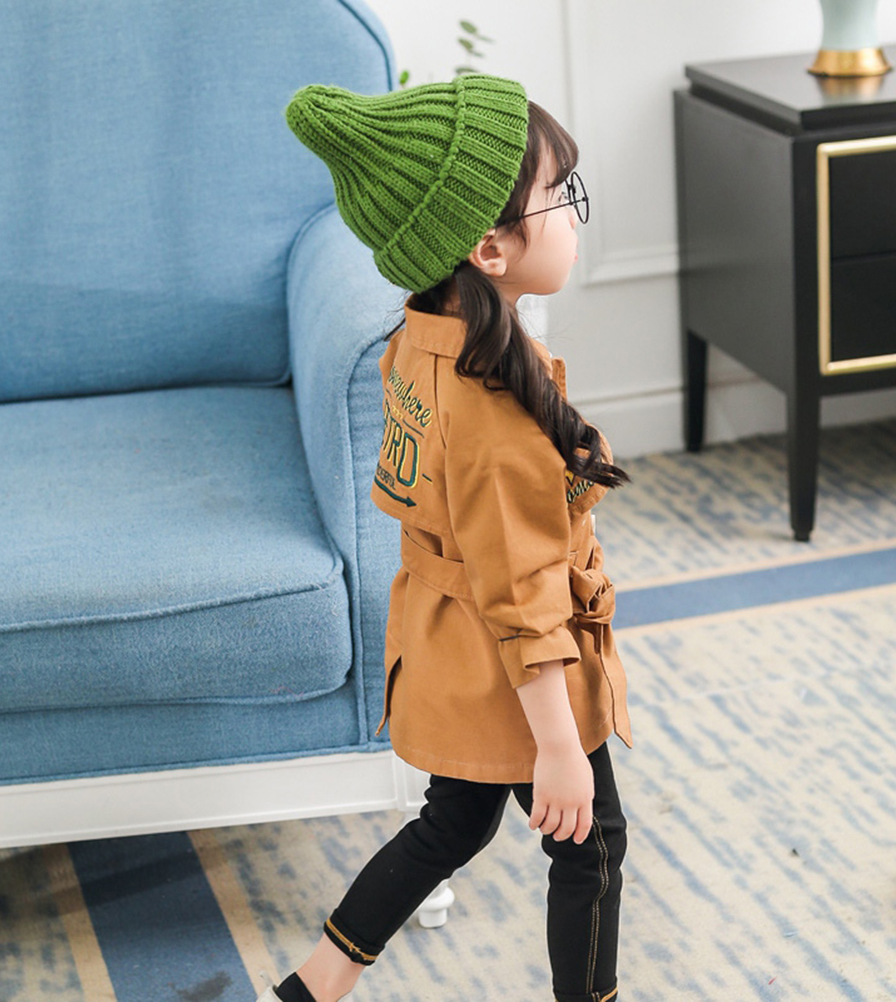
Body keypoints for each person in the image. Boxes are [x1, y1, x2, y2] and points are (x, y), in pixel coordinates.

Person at [260, 73, 635, 1002]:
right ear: (489, 248)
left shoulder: (421, 339)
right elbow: (521, 590)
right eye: (561, 196)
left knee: (453, 824)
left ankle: (313, 986)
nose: (574, 215)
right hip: (517, 666)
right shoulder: (493, 409)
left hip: (448, 645)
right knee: (592, 845)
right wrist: (558, 746)